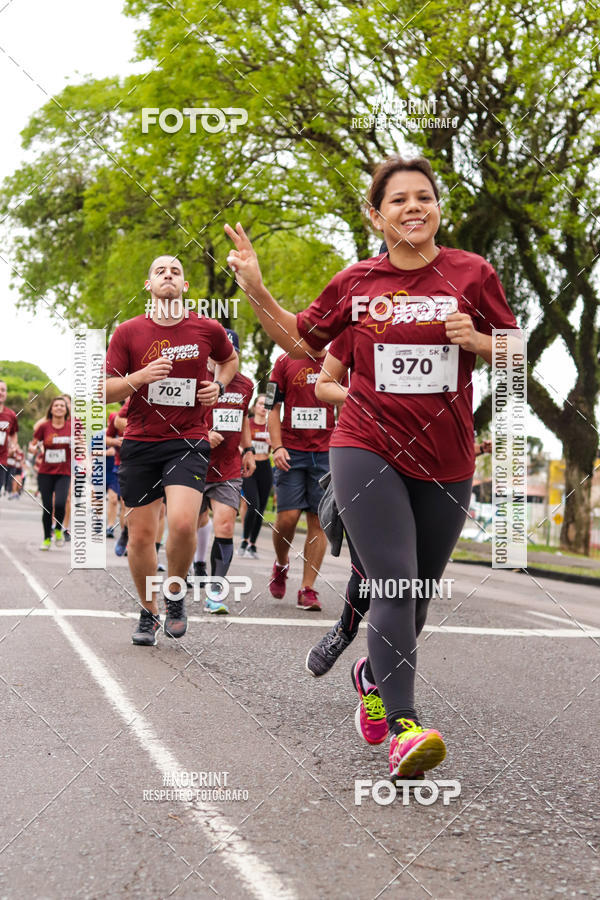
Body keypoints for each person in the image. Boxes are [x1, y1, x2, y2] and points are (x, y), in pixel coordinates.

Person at [225, 155, 518, 779]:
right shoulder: (357, 282)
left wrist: (482, 344)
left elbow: (518, 355)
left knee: (414, 594)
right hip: (366, 447)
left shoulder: (472, 273)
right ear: (375, 214)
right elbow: (302, 342)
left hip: (447, 458)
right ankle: (406, 731)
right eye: (398, 201)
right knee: (392, 581)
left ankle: (372, 676)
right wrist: (254, 286)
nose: (414, 207)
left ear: (438, 206)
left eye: (424, 197)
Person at [104, 255, 238, 646]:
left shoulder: (206, 327)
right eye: (160, 271)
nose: (168, 275)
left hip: (188, 439)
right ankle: (148, 611)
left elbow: (228, 361)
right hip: (141, 442)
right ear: (148, 285)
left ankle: (175, 596)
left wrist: (221, 386)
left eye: (175, 271)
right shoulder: (128, 332)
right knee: (141, 535)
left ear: (185, 286)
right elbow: (104, 390)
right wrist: (140, 377)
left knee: (182, 523)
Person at [264, 350, 335, 611]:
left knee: (319, 520)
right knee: (288, 518)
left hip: (326, 452)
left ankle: (307, 588)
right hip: (291, 450)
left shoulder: (337, 358)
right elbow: (272, 407)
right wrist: (277, 446)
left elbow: (346, 402)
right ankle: (281, 563)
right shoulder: (284, 361)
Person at [193, 330, 255, 614]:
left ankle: (215, 593)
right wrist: (205, 433)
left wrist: (249, 449)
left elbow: (242, 418)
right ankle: (189, 569)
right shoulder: (196, 381)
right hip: (193, 463)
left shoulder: (246, 385)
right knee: (187, 526)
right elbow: (179, 418)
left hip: (228, 466)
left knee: (226, 525)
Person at [32, 396, 71, 549]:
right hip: (45, 472)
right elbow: (33, 444)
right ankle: (47, 538)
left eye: (62, 405)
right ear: (51, 409)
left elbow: (80, 444)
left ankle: (59, 530)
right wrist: (33, 448)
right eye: (56, 405)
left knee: (61, 503)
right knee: (47, 506)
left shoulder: (71, 427)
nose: (59, 408)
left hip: (64, 472)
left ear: (66, 409)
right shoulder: (44, 427)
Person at [238, 393, 273, 559]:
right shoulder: (248, 424)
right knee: (253, 503)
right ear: (254, 407)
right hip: (249, 467)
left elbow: (279, 446)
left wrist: (273, 443)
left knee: (261, 508)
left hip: (265, 467)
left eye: (266, 404)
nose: (263, 407)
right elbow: (239, 444)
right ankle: (244, 540)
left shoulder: (271, 426)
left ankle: (252, 544)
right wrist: (245, 451)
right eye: (260, 404)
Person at [0, 380, 19, 498]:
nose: (0, 392)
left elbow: (13, 434)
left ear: (6, 393)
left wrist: (13, 446)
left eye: (3, 390)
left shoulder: (11, 415)